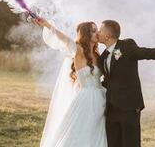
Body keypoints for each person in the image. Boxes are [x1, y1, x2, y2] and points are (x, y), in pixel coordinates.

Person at [97, 20, 155, 147]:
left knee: (131, 144)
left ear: (107, 35)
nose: (97, 33)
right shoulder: (102, 57)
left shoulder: (126, 45)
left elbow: (147, 53)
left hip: (129, 107)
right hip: (111, 109)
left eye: (100, 30)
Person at [35, 18, 107, 147]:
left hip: (101, 98)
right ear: (86, 34)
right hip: (86, 99)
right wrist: (48, 25)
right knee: (82, 131)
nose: (97, 33)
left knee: (96, 132)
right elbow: (65, 39)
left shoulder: (97, 55)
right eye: (93, 30)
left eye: (97, 30)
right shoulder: (78, 51)